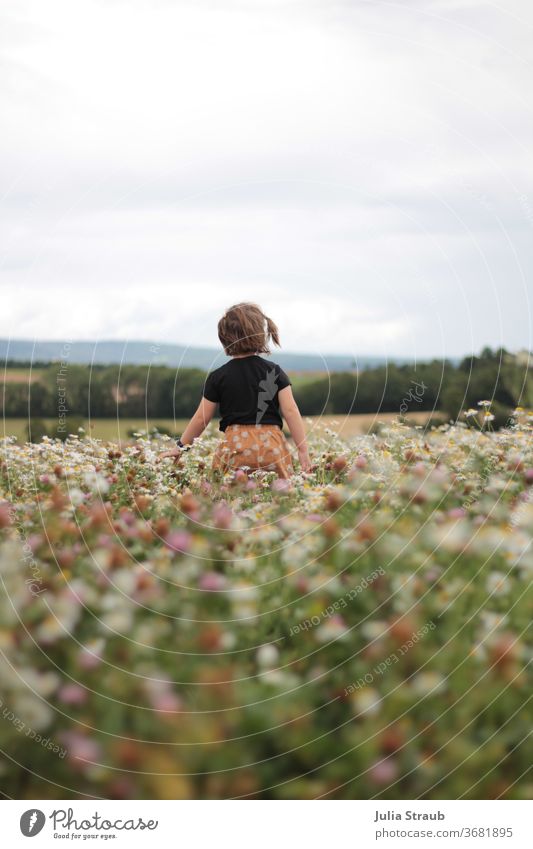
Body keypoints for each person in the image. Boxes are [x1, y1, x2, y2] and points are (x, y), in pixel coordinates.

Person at [160, 302, 311, 477]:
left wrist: (181, 448)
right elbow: (291, 411)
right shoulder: (275, 371)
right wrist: (302, 450)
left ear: (224, 338)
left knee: (227, 497)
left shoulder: (218, 376)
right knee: (278, 496)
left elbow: (202, 419)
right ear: (260, 334)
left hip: (236, 449)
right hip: (272, 448)